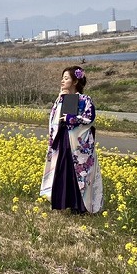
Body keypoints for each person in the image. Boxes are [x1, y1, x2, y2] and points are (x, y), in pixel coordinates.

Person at [39, 66, 103, 214]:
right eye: (62, 78)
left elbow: (89, 118)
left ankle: (80, 207)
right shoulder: (61, 98)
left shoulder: (85, 99)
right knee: (63, 170)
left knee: (79, 173)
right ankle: (63, 203)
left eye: (66, 78)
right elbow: (54, 119)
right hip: (63, 140)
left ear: (75, 81)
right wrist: (60, 100)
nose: (62, 81)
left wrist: (72, 119)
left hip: (78, 144)